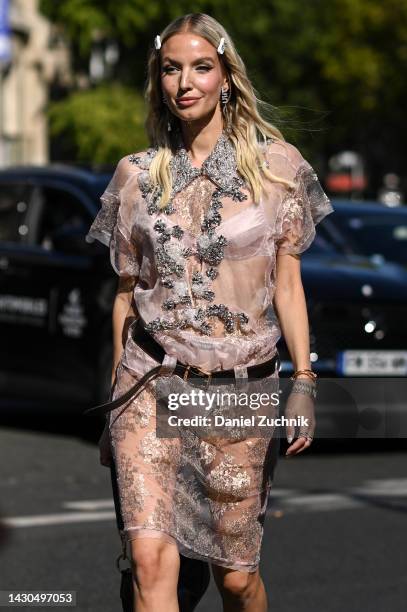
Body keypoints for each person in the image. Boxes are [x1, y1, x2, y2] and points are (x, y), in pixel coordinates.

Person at [88, 12, 333, 612]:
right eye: (171, 69)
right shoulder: (136, 176)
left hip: (239, 390)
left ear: (226, 76)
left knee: (235, 576)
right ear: (158, 80)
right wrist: (110, 405)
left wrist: (303, 380)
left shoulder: (278, 169)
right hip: (148, 382)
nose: (184, 82)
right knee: (149, 561)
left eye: (200, 67)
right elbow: (126, 294)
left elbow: (289, 288)